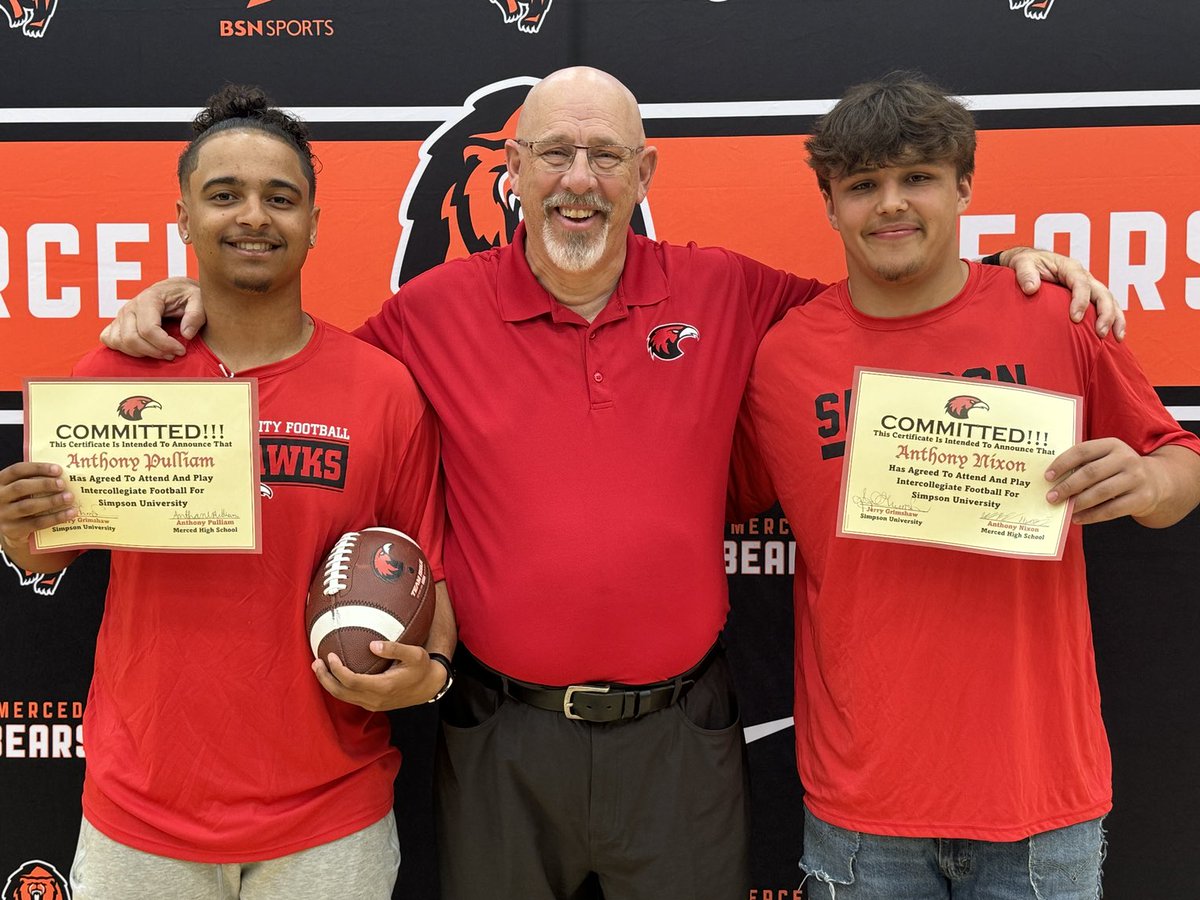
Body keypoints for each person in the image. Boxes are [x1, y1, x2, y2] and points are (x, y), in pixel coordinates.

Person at [98, 68, 1123, 900]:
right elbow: (305, 370)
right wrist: (195, 298)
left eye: (604, 155)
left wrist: (1008, 265)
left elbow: (892, 297)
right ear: (514, 172)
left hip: (679, 738)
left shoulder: (726, 290)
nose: (577, 178)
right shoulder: (430, 312)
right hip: (501, 735)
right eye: (552, 153)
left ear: (645, 172)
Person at [734, 72, 1200, 899]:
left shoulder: (1052, 314)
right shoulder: (782, 358)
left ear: (964, 187)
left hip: (1038, 805)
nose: (891, 205)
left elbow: (1180, 465)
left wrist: (1146, 480)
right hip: (863, 811)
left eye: (917, 177)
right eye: (863, 186)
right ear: (830, 204)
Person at [0, 85, 453, 899]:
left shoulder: (383, 390)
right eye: (224, 195)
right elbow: (41, 550)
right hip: (141, 817)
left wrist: (433, 669)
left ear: (314, 221)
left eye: (281, 198)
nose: (254, 216)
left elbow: (433, 571)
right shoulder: (112, 375)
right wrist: (16, 528)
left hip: (330, 818)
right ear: (182, 217)